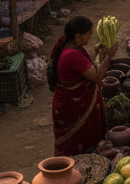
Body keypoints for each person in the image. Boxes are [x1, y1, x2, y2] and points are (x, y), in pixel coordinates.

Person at [48, 15, 115, 157]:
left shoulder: (69, 45)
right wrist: (109, 56)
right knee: (79, 146)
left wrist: (100, 54)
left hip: (68, 103)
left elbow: (88, 67)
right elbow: (96, 76)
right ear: (78, 36)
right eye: (89, 33)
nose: (91, 36)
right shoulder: (72, 55)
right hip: (73, 106)